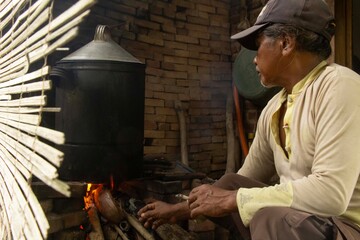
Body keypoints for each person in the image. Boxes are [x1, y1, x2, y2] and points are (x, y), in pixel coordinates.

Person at [137, 0, 360, 239]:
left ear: (285, 43)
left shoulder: (340, 85)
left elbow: (331, 195)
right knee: (231, 183)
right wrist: (178, 211)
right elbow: (242, 182)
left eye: (258, 44)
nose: (253, 58)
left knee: (268, 215)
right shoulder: (274, 107)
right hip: (296, 222)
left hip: (344, 226)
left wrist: (236, 199)